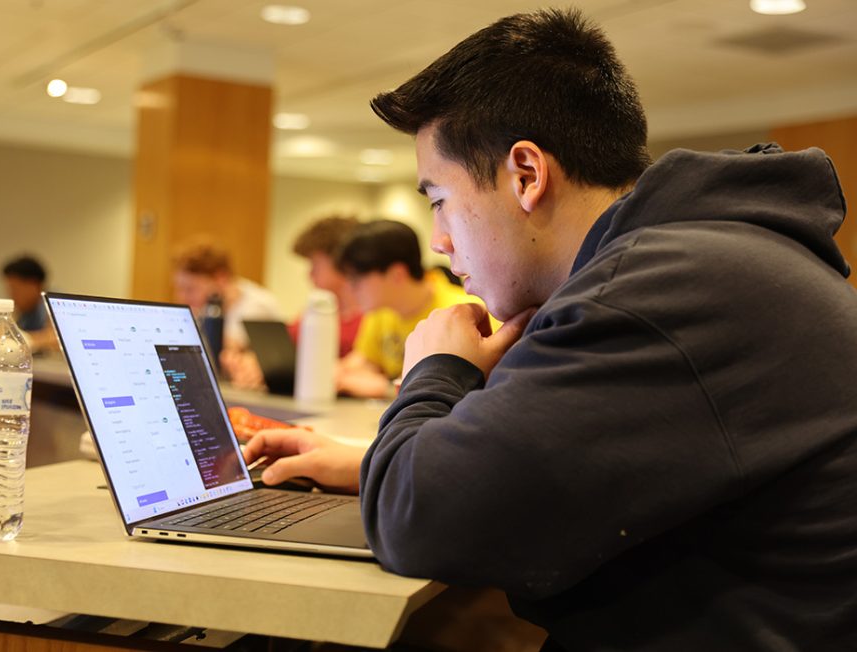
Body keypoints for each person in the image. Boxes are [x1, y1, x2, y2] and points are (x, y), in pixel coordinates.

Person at [244, 8, 857, 651]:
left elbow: (418, 521)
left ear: (527, 175)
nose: (440, 240)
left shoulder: (654, 295)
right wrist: (378, 463)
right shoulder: (696, 263)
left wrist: (435, 373)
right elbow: (515, 465)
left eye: (439, 200)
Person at [335, 219, 484, 398]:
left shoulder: (463, 311)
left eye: (356, 279)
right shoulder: (381, 311)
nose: (350, 288)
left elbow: (465, 389)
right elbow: (363, 361)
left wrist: (386, 388)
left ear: (397, 274)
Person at [171, 238, 282, 384]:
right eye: (179, 289)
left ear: (221, 278)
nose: (182, 298)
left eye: (191, 289)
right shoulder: (205, 308)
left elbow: (223, 352)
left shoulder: (258, 306)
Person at [287, 215, 364, 357]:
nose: (310, 274)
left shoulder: (371, 317)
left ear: (340, 260)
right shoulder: (321, 308)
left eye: (315, 264)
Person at [1, 255, 57, 352]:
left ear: (34, 285)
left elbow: (57, 338)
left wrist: (24, 340)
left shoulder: (54, 302)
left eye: (14, 289)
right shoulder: (26, 311)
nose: (11, 295)